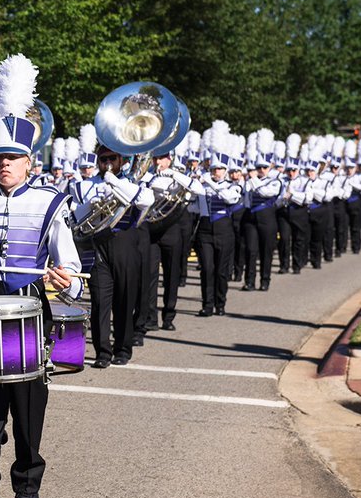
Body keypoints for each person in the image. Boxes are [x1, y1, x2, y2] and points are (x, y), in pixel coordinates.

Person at [0, 108, 82, 498]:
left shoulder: (51, 202)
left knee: (28, 410)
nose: (4, 163)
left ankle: (27, 483)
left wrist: (66, 281)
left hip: (30, 306)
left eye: (13, 157)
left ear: (30, 161)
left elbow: (73, 272)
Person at [71, 144, 153, 366]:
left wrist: (115, 183)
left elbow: (147, 200)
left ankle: (123, 348)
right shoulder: (85, 185)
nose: (107, 163)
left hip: (125, 242)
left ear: (121, 160)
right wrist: (90, 205)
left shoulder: (131, 182)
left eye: (112, 159)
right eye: (103, 159)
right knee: (100, 300)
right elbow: (75, 216)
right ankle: (102, 352)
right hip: (98, 245)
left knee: (125, 299)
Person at [144, 152, 199, 330]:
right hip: (151, 230)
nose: (158, 162)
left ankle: (168, 316)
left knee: (171, 274)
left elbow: (198, 189)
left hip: (171, 230)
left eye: (162, 158)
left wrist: (174, 174)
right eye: (155, 158)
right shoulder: (147, 175)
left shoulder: (177, 177)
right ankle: (151, 317)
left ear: (170, 159)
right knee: (150, 275)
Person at [194, 149, 240, 316]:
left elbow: (229, 198)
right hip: (205, 230)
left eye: (220, 169)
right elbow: (193, 205)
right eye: (214, 169)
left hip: (224, 230)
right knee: (207, 268)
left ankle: (220, 304)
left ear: (225, 170)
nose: (216, 172)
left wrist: (210, 183)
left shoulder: (233, 186)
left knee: (221, 270)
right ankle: (207, 304)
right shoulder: (203, 185)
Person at [242, 151, 281, 292]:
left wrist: (253, 179)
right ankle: (249, 281)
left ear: (270, 167)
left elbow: (265, 193)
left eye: (265, 167)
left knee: (266, 251)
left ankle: (265, 280)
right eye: (259, 168)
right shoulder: (250, 180)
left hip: (267, 218)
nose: (262, 170)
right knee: (251, 250)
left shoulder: (275, 181)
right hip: (251, 218)